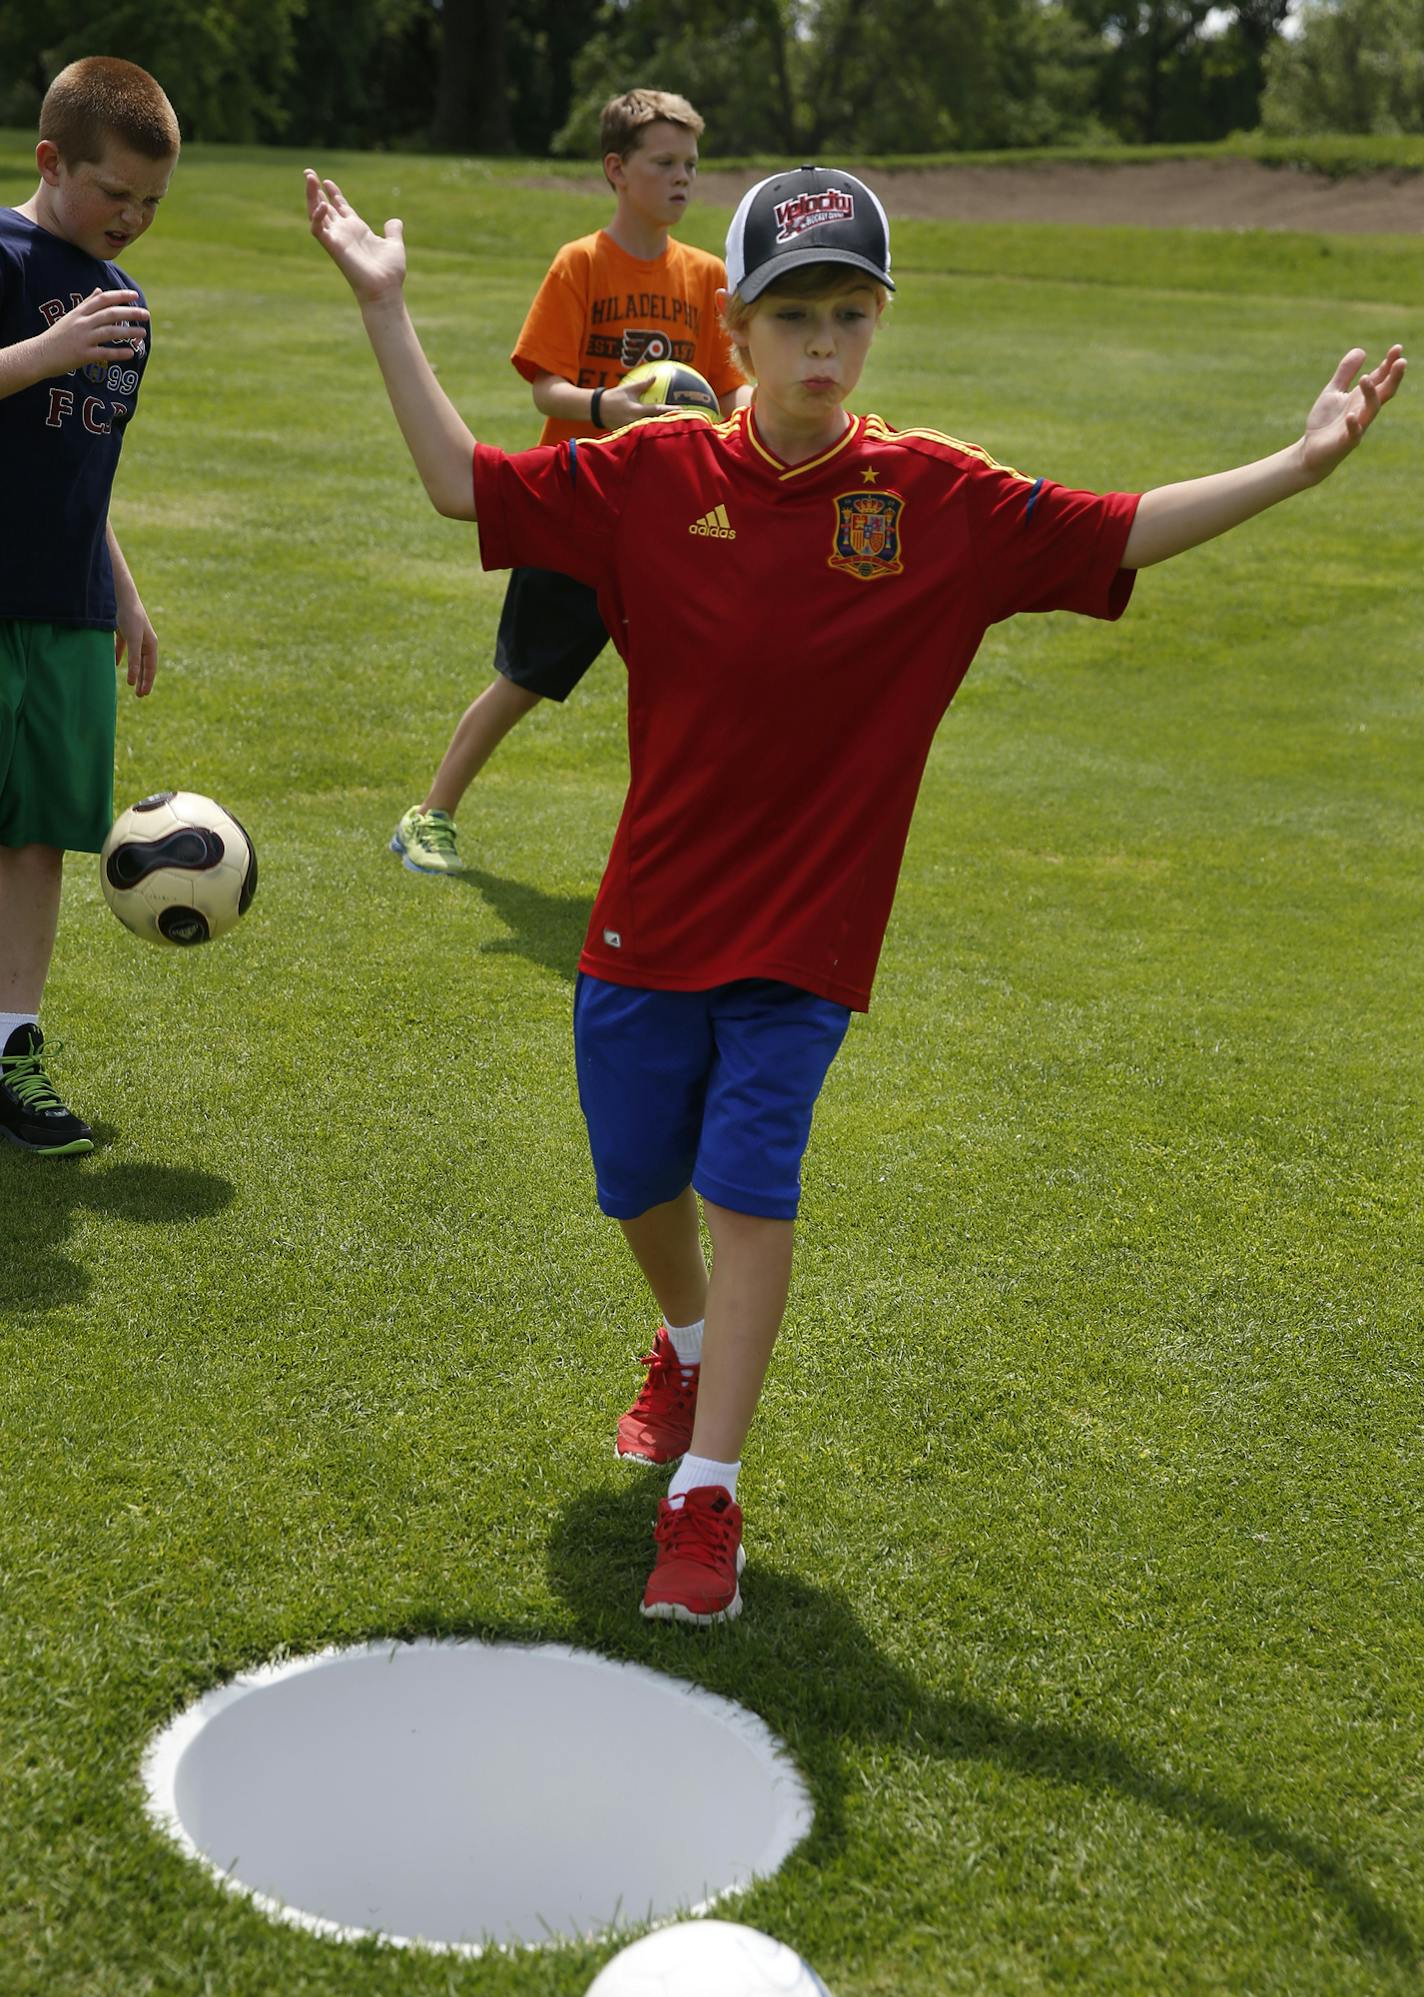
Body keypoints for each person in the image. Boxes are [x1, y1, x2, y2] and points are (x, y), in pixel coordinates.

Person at [306, 159, 1405, 1624]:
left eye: (850, 313)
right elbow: (460, 486)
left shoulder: (937, 499)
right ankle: (682, 1340)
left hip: (806, 936)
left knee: (752, 1181)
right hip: (650, 907)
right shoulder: (650, 477)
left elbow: (1117, 526)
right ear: (736, 336)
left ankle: (709, 1497)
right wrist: (386, 309)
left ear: (873, 327)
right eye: (794, 313)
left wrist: (1298, 464)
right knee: (637, 1177)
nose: (824, 342)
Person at [390, 87, 747, 878]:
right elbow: (544, 386)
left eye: (691, 164)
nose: (683, 178)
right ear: (617, 171)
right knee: (524, 676)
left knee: (694, 688)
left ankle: (694, 853)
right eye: (664, 164)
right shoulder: (582, 264)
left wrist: (749, 415)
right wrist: (605, 406)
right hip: (578, 504)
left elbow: (729, 386)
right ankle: (430, 814)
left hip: (675, 517)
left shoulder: (709, 276)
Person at [0, 57, 179, 1158]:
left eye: (155, 203)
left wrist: (123, 590)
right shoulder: (7, 257)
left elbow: (81, 468)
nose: (135, 219)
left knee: (37, 839)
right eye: (116, 193)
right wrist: (46, 350)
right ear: (50, 159)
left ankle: (12, 1045)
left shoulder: (131, 304)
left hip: (65, 606)